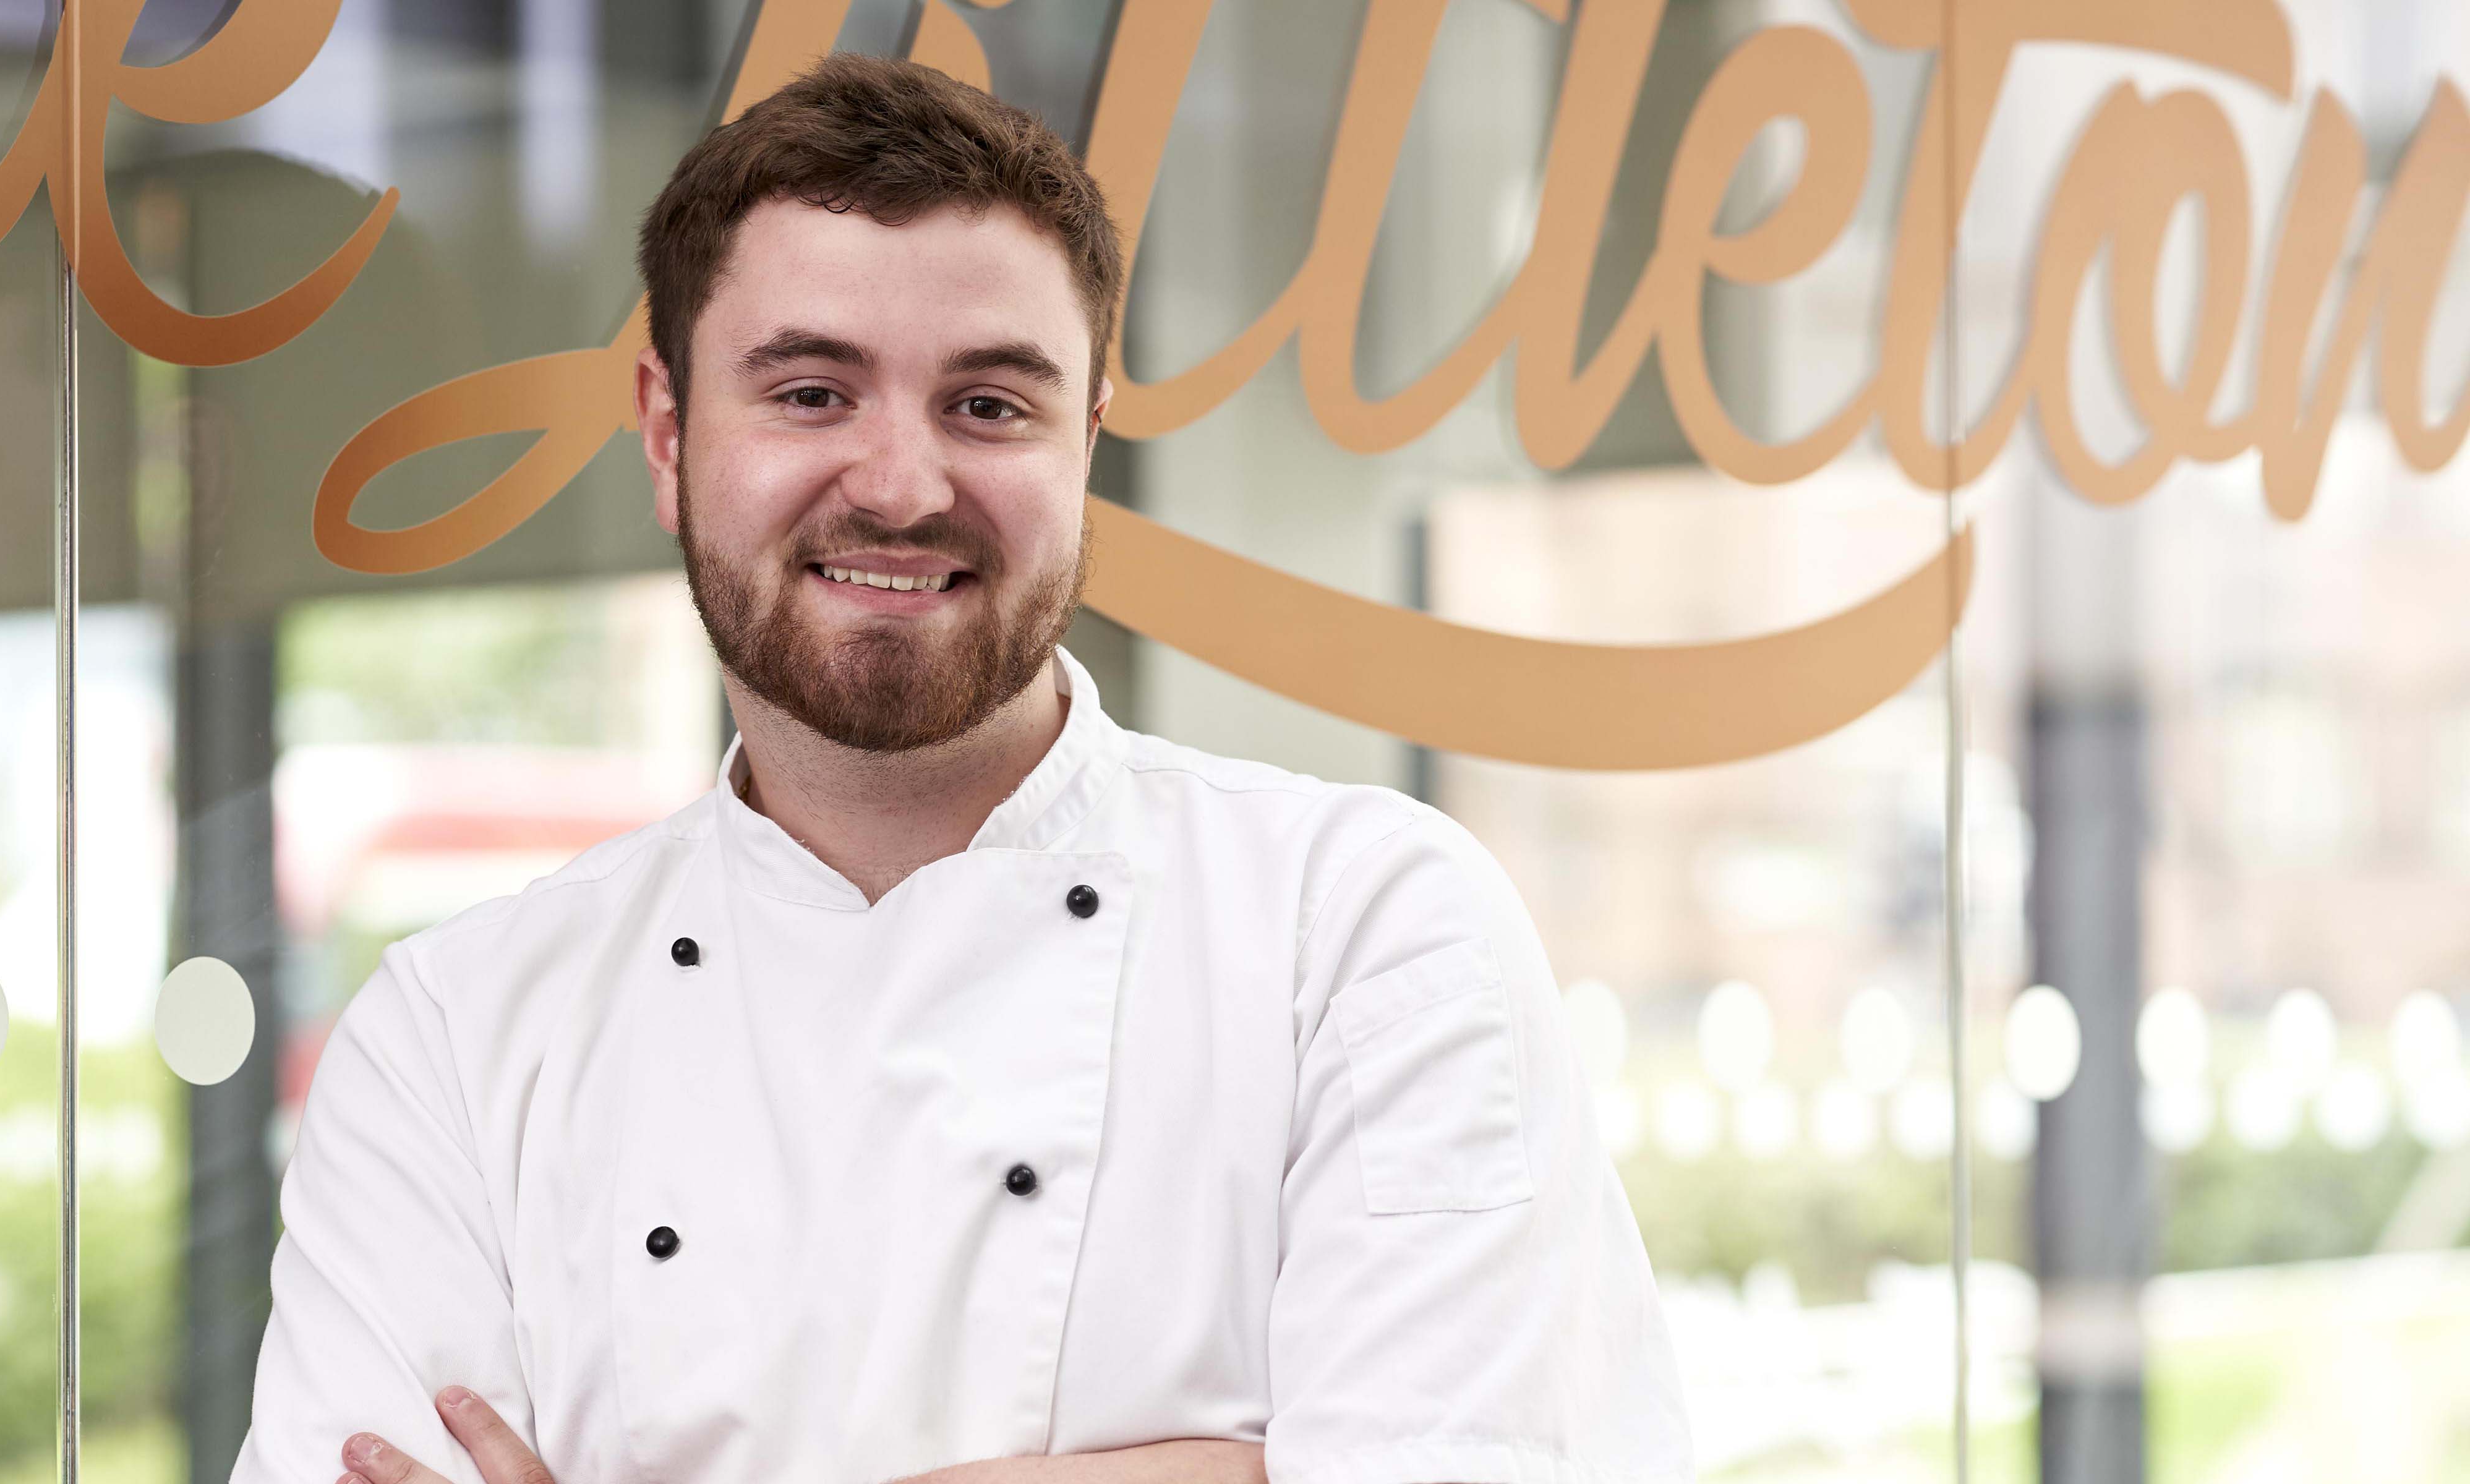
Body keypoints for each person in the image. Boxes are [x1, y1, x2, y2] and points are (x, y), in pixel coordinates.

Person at [234, 54, 1691, 1484]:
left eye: (989, 405)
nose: (902, 485)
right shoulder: (457, 1038)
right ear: (670, 435)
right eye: (811, 393)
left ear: (1088, 444)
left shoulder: (1361, 932)